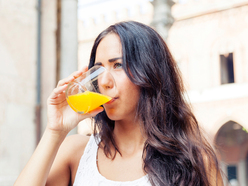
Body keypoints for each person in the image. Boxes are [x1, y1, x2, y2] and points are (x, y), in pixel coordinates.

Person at [14, 21, 223, 186]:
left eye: (118, 65)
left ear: (150, 71)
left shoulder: (194, 161)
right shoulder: (75, 152)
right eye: (98, 69)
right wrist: (55, 131)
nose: (104, 81)